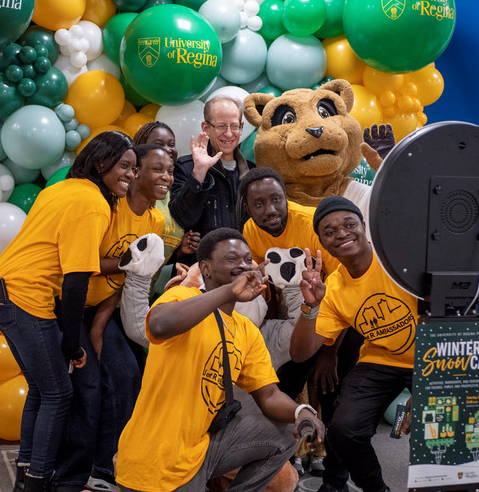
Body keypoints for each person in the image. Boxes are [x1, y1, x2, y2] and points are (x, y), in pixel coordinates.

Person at [0, 131, 137, 492]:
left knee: (40, 391)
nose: (130, 174)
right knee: (59, 394)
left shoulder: (60, 189)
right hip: (27, 297)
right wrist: (72, 343)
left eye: (134, 168)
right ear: (101, 163)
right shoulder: (92, 203)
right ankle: (37, 482)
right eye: (124, 166)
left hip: (0, 292)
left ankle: (26, 475)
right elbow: (75, 280)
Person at [115, 228, 324, 492]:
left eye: (248, 259)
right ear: (206, 268)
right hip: (154, 462)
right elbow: (159, 325)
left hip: (203, 450)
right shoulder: (181, 297)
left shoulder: (246, 330)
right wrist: (228, 293)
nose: (244, 265)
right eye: (232, 259)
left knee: (284, 432)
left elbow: (269, 395)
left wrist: (302, 412)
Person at [53, 142, 177, 492]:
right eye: (156, 169)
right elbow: (80, 265)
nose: (165, 177)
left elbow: (129, 279)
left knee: (126, 375)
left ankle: (110, 467)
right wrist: (88, 326)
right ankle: (73, 470)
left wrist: (98, 326)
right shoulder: (108, 206)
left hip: (103, 309)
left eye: (169, 171)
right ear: (135, 172)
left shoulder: (154, 221)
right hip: (67, 302)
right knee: (88, 385)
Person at [239, 166, 364, 477]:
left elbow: (343, 290)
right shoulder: (250, 232)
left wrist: (329, 353)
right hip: (300, 320)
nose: (270, 210)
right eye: (259, 204)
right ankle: (279, 458)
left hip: (341, 322)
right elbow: (262, 288)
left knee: (335, 393)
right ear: (248, 207)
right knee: (280, 386)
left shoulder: (312, 224)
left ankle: (337, 475)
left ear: (285, 198)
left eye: (276, 200)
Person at [290, 196, 417, 492]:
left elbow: (444, 314)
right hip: (380, 359)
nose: (342, 234)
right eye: (330, 231)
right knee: (344, 430)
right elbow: (300, 354)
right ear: (321, 240)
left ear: (363, 225)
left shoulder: (400, 258)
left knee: (440, 429)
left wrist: (427, 389)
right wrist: (311, 307)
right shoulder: (332, 287)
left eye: (349, 224)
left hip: (431, 357)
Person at [168, 96, 254, 266]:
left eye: (234, 126)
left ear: (241, 127)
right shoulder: (186, 168)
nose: (229, 134)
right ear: (205, 128)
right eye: (221, 126)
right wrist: (199, 172)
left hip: (243, 270)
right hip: (199, 272)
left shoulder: (253, 173)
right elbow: (182, 218)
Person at [133, 121, 200, 278]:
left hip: (143, 295)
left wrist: (180, 251)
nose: (168, 149)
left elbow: (154, 257)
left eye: (172, 144)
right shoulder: (128, 192)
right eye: (158, 144)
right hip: (106, 296)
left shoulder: (171, 193)